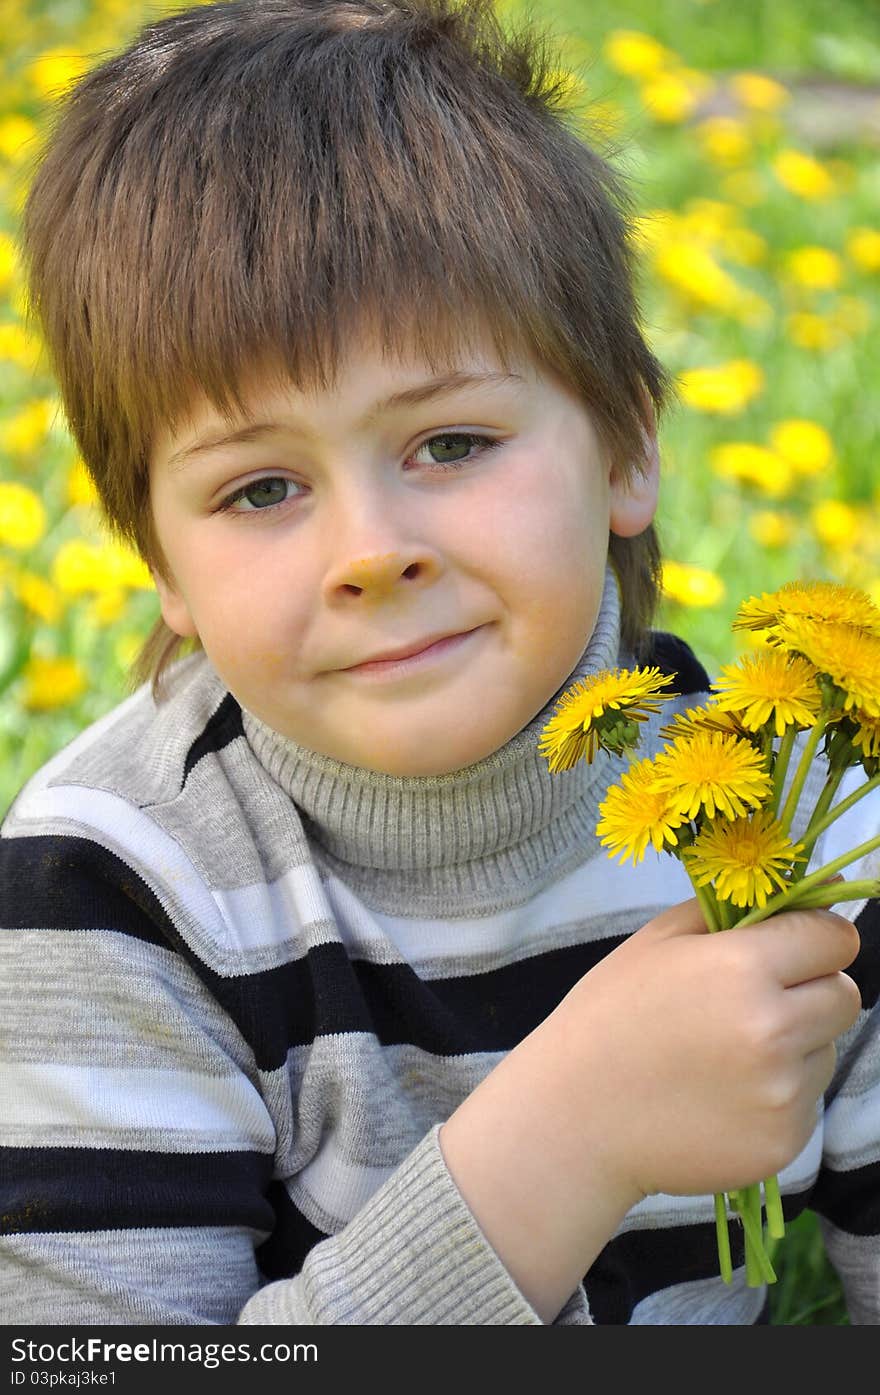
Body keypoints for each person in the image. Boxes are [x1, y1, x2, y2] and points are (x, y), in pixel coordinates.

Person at [0, 0, 877, 1326]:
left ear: (628, 446)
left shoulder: (799, 816)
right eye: (260, 489)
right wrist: (564, 1141)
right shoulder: (110, 894)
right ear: (159, 564)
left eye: (452, 443)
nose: (371, 551)